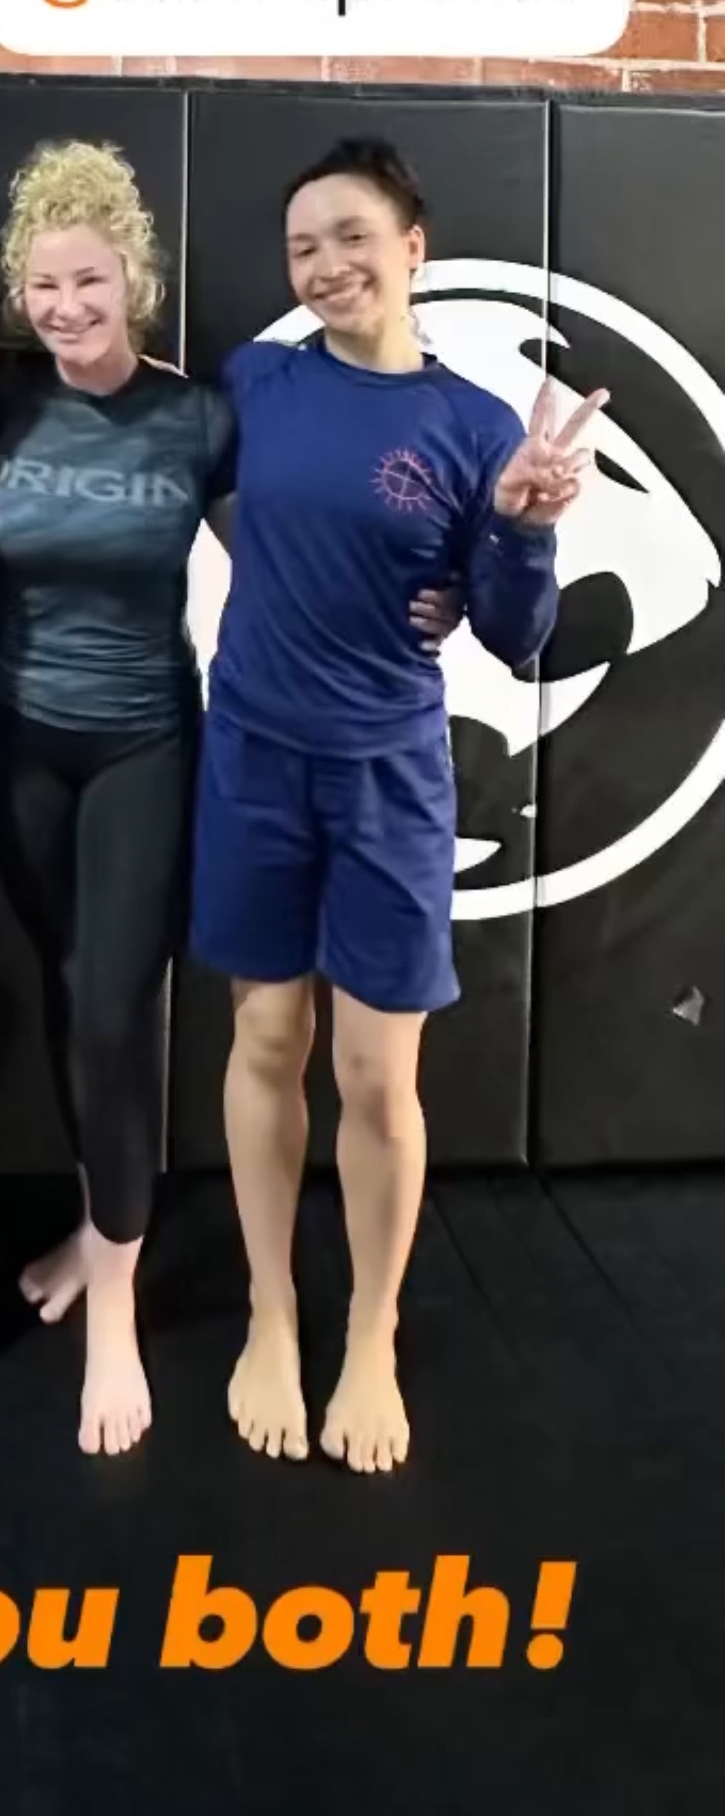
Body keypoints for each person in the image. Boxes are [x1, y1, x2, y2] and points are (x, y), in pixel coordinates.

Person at [192, 136, 602, 1477]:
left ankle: (370, 1334)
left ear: (412, 248)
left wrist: (523, 528)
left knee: (377, 1078)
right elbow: (221, 509)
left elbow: (519, 636)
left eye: (352, 237)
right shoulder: (259, 382)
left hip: (388, 777)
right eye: (303, 247)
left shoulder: (477, 428)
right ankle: (272, 1311)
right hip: (253, 758)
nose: (326, 266)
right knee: (266, 1038)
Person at [0, 140, 233, 1461]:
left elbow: (299, 550)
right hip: (17, 744)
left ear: (135, 278)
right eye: (45, 285)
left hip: (143, 748)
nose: (68, 306)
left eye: (90, 280)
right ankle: (96, 1224)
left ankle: (116, 1306)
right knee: (69, 995)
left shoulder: (198, 417)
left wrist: (449, 582)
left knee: (117, 1012)